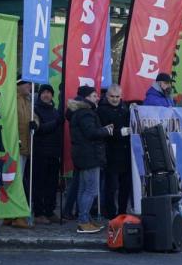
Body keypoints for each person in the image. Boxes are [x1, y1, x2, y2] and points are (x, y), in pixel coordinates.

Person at [67, 86, 112, 234]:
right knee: (91, 190)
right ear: (86, 97)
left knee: (83, 189)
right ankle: (83, 221)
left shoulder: (79, 111)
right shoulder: (86, 113)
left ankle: (84, 218)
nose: (97, 98)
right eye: (94, 95)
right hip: (89, 156)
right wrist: (106, 131)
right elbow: (91, 133)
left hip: (83, 154)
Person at [97, 86, 132, 219]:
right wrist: (120, 132)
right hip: (110, 152)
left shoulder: (125, 108)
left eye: (117, 97)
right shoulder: (101, 110)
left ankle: (122, 211)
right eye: (112, 96)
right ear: (107, 96)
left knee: (125, 185)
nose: (115, 99)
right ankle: (110, 212)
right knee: (111, 186)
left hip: (125, 152)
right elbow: (104, 130)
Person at [10, 79, 38, 228]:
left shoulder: (27, 102)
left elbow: (35, 118)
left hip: (26, 148)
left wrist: (35, 124)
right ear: (19, 85)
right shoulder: (12, 99)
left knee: (18, 182)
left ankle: (12, 215)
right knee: (17, 183)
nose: (30, 87)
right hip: (16, 148)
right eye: (27, 84)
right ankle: (16, 216)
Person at [32, 84, 62, 224]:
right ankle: (38, 212)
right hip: (40, 152)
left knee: (52, 184)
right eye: (43, 92)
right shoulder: (35, 109)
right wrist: (56, 123)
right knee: (39, 184)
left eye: (49, 92)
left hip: (54, 153)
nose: (46, 95)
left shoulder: (56, 111)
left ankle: (50, 211)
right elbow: (40, 129)